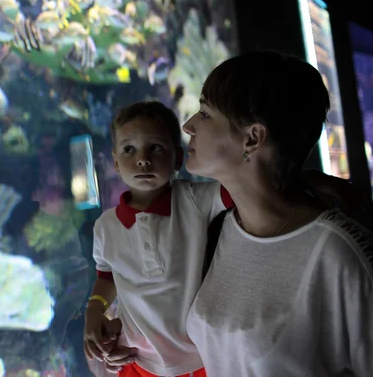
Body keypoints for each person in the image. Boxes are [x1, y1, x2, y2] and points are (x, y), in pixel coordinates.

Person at [179, 51, 372, 376]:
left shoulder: (339, 254)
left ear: (252, 138)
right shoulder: (220, 229)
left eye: (206, 113)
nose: (188, 125)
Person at [84, 101, 233, 377]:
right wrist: (94, 310)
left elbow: (240, 188)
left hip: (203, 357)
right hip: (137, 360)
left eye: (155, 147)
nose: (143, 159)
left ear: (178, 158)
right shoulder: (105, 226)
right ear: (115, 162)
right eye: (129, 149)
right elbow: (106, 276)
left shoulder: (194, 200)